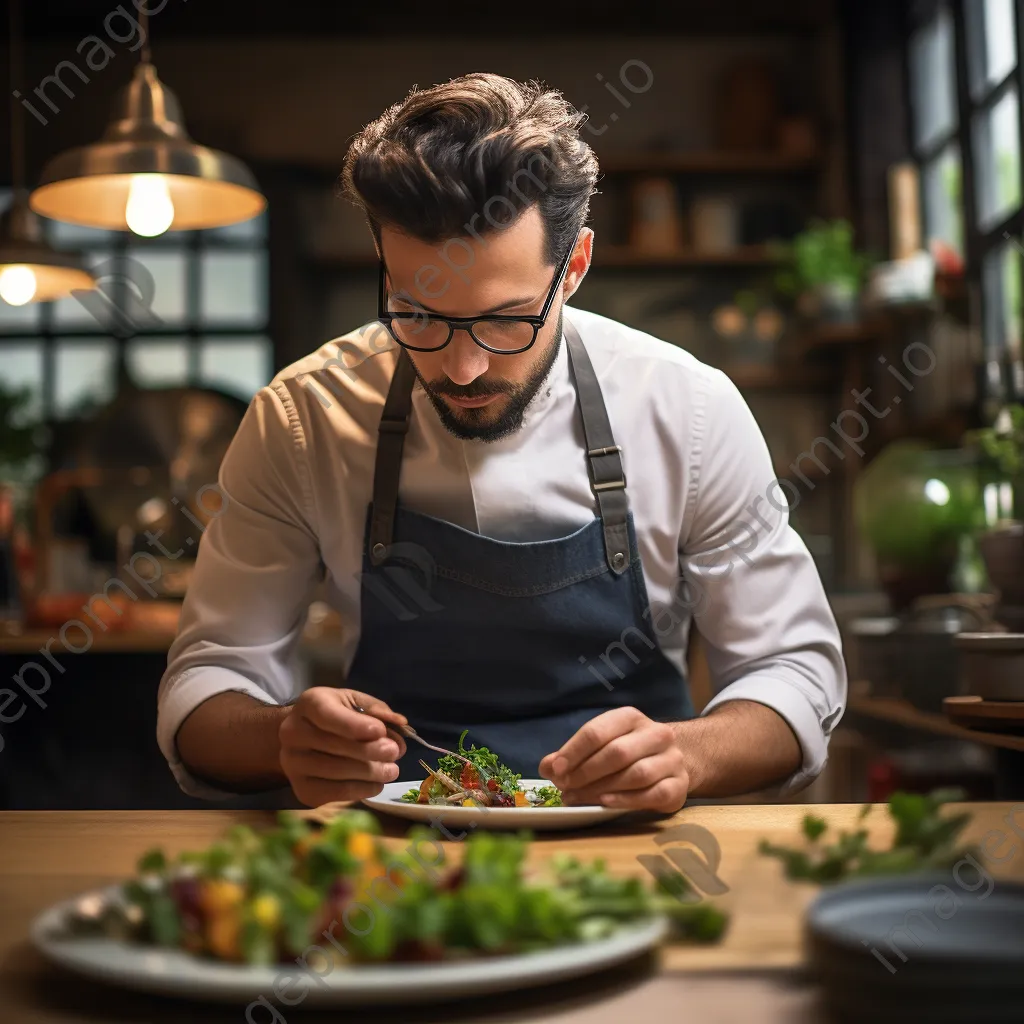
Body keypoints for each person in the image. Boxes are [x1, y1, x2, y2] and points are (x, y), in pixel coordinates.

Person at [158, 73, 846, 813]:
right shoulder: (303, 419)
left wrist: (688, 754)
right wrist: (283, 738)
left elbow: (796, 672)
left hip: (632, 848)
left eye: (507, 320)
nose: (463, 368)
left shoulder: (689, 409)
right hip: (393, 861)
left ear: (574, 267)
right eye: (416, 316)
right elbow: (206, 681)